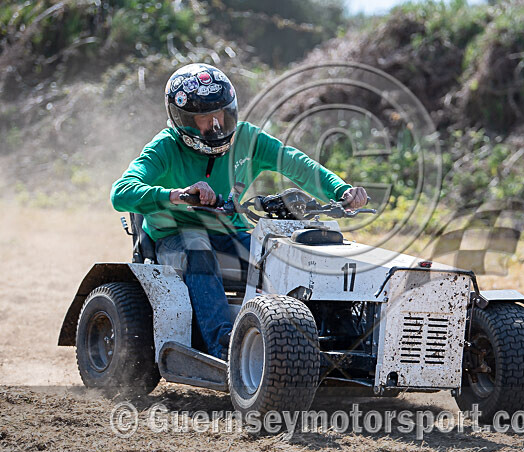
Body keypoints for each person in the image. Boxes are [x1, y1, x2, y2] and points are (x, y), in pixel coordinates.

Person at [110, 63, 367, 359]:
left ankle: (335, 338)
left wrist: (340, 189)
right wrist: (176, 196)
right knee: (197, 246)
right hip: (173, 237)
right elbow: (121, 192)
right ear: (183, 120)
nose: (216, 125)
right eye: (204, 119)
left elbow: (296, 163)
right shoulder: (165, 147)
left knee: (287, 255)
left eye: (220, 114)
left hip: (230, 234)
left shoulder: (247, 139)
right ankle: (224, 346)